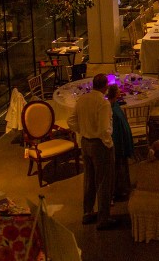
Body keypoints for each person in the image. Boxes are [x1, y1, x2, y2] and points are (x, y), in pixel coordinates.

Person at [67, 74, 116, 229]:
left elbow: (70, 121)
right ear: (105, 86)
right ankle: (103, 219)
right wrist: (108, 144)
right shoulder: (103, 103)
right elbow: (104, 129)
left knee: (88, 180)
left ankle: (87, 213)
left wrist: (83, 130)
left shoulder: (82, 99)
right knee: (103, 182)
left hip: (85, 143)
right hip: (99, 145)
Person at [107, 84, 133, 203]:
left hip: (122, 139)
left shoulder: (116, 105)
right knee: (118, 166)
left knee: (122, 165)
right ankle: (119, 190)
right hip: (118, 141)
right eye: (118, 91)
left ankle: (124, 188)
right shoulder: (111, 108)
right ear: (114, 93)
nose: (120, 91)